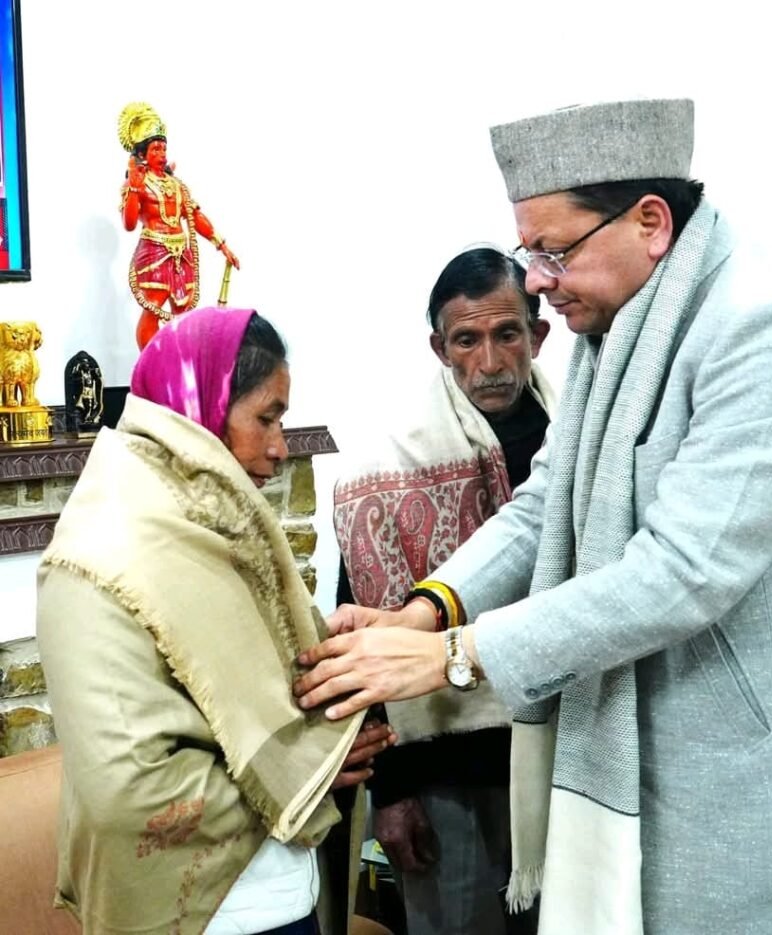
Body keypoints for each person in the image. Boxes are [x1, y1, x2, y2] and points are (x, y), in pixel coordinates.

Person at [293, 100, 772, 935]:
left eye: (553, 251)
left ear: (650, 223)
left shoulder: (768, 329)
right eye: (528, 252)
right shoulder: (614, 334)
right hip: (680, 770)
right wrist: (427, 610)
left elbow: (679, 574)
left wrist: (454, 657)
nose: (536, 280)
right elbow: (544, 502)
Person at [37, 307, 395, 935]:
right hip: (209, 916)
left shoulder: (212, 526)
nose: (281, 447)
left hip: (284, 893)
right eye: (266, 418)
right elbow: (126, 793)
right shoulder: (98, 558)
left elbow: (261, 696)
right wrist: (302, 778)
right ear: (199, 407)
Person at [333, 247, 554, 935]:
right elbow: (364, 643)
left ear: (538, 334)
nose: (489, 361)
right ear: (440, 348)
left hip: (563, 752)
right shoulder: (385, 473)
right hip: (441, 775)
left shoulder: (576, 443)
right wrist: (391, 794)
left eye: (507, 334)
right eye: (466, 340)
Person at [118, 102, 241, 350]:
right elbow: (129, 224)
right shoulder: (138, 184)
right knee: (153, 307)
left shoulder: (176, 185)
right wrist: (134, 187)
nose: (162, 154)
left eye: (163, 148)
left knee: (184, 311)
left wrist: (222, 245)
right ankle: (151, 362)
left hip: (181, 255)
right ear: (142, 154)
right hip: (154, 252)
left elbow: (195, 216)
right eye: (155, 149)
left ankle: (180, 360)